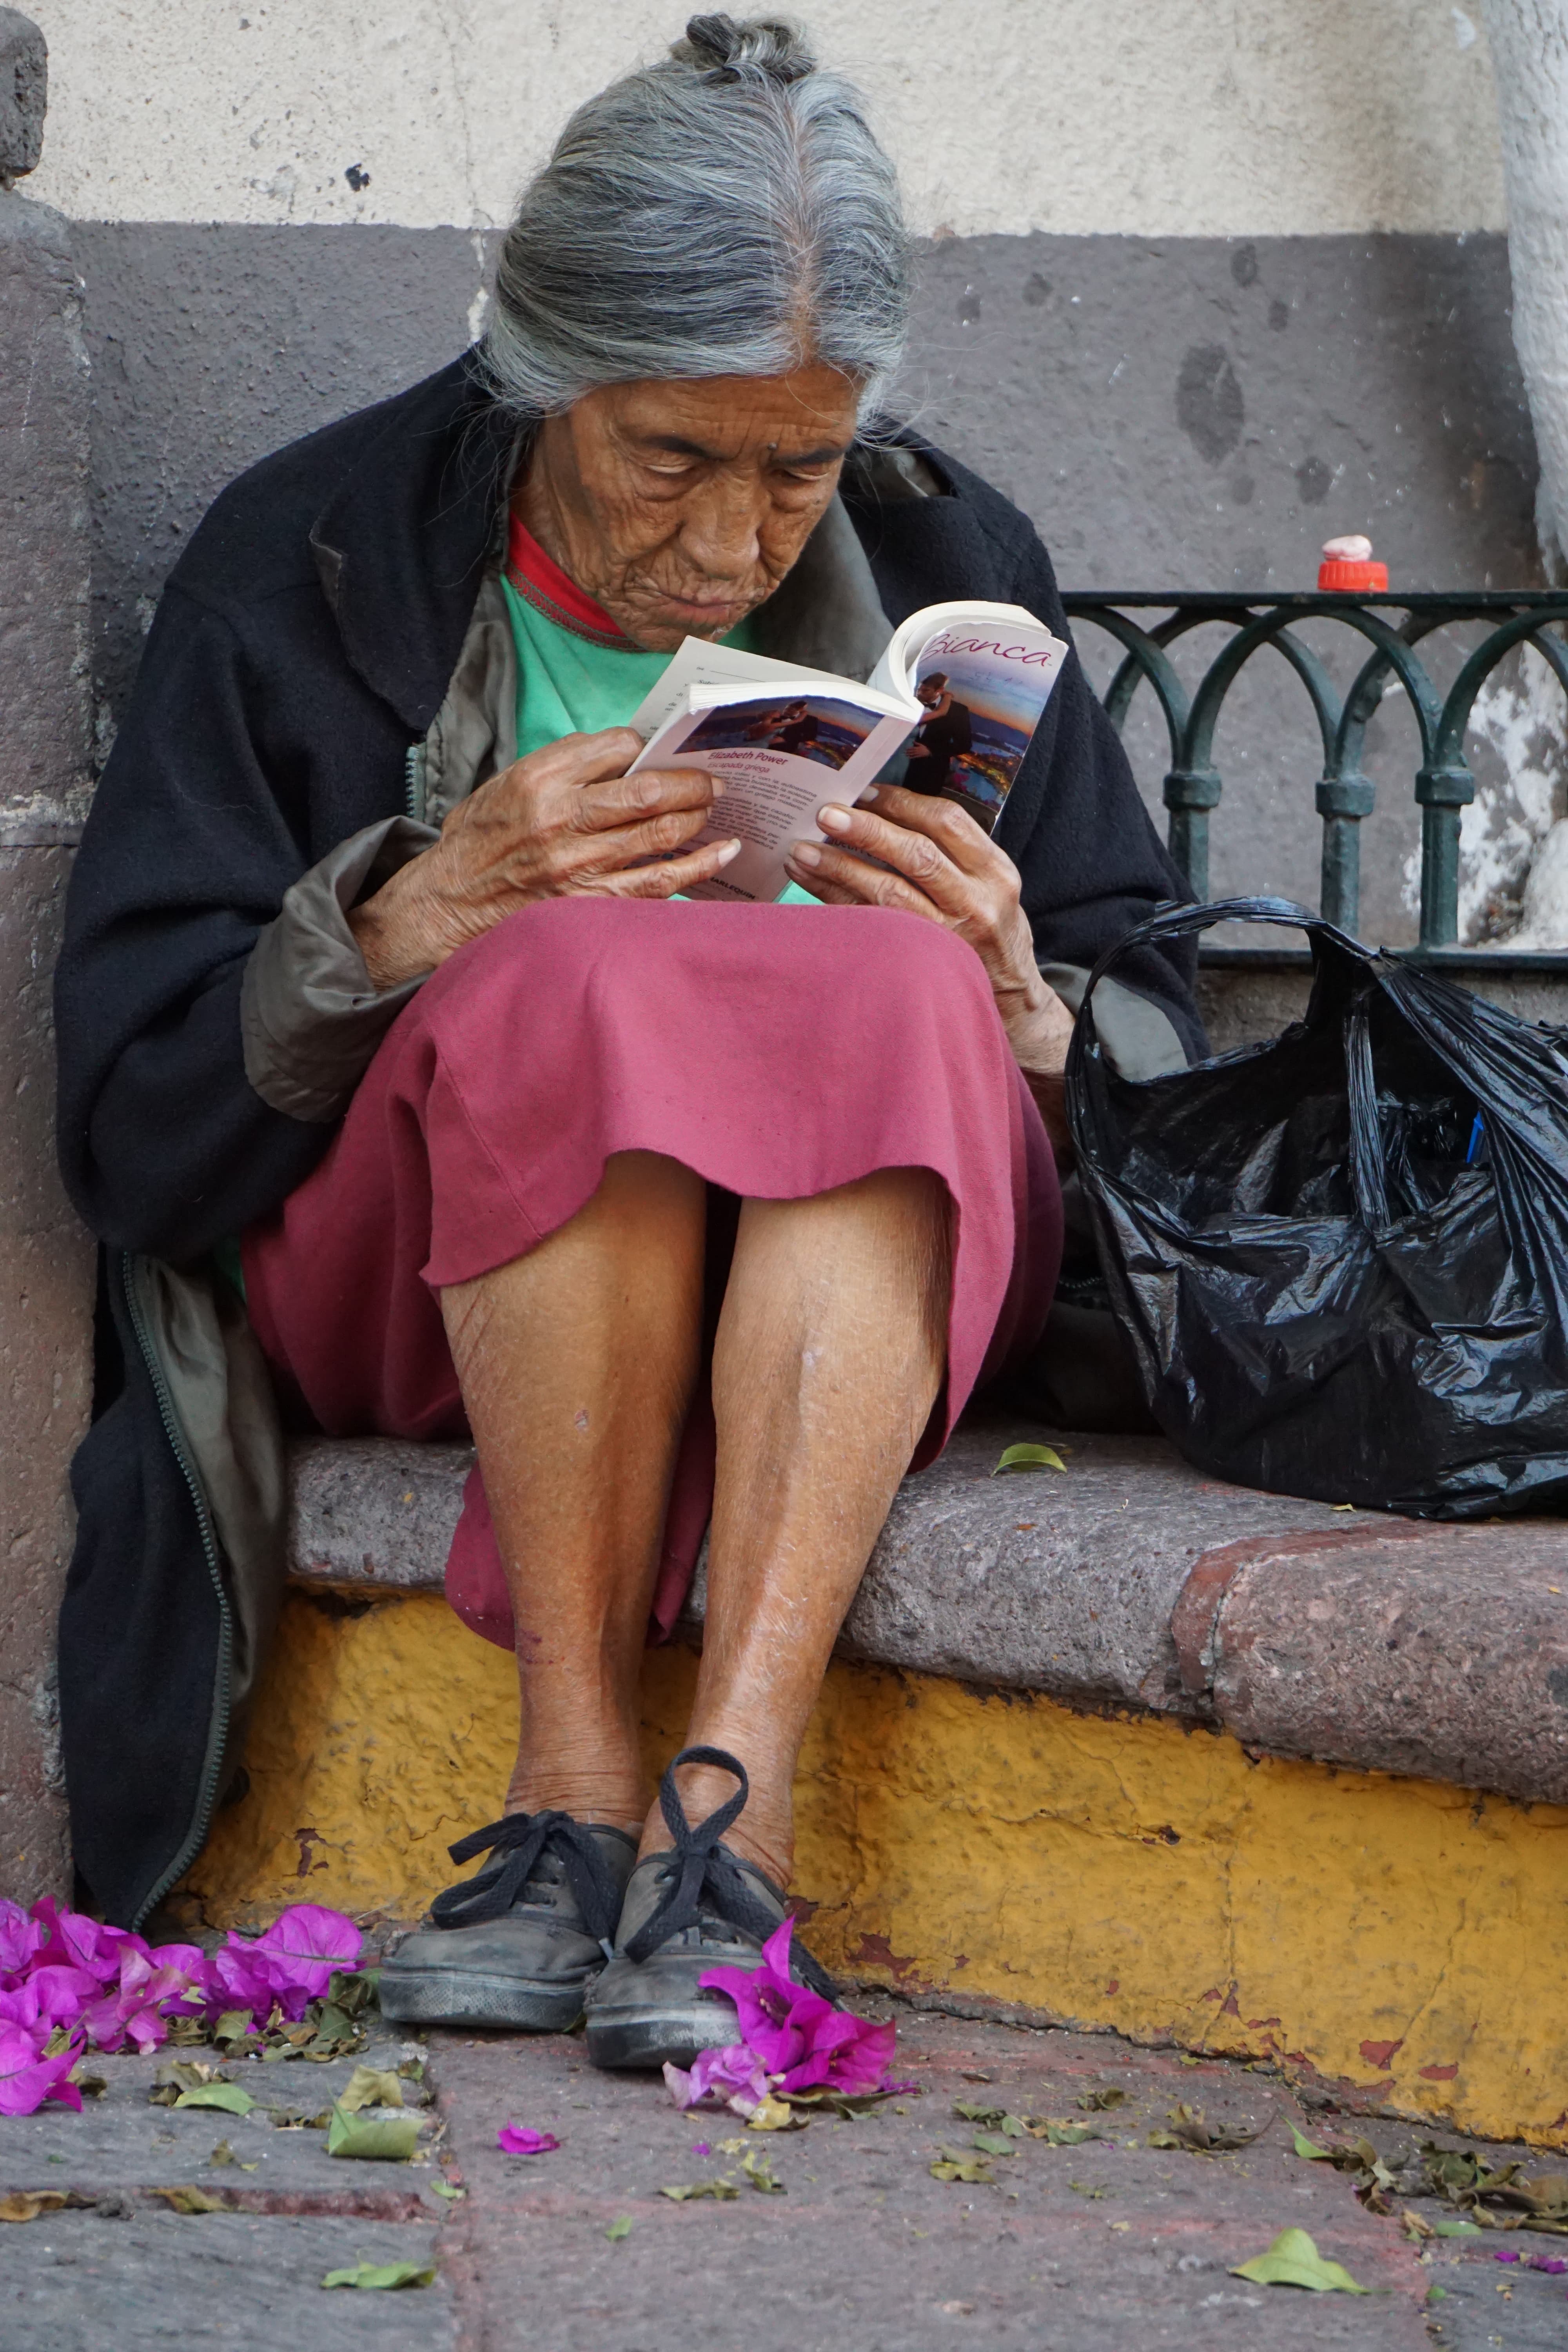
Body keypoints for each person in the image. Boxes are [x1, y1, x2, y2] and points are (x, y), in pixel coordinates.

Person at [54, 12, 1203, 2069]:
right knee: (582, 978)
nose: (730, 542)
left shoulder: (950, 565)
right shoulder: (311, 561)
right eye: (668, 457)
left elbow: (1160, 1081)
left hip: (850, 1286)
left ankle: (728, 1838)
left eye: (796, 470)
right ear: (542, 370)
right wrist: (404, 920)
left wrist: (1029, 1011)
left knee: (901, 983)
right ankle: (568, 1789)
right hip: (428, 1279)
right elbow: (133, 1133)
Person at [906, 672, 973, 796]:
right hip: (900, 764)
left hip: (929, 774)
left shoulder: (958, 711)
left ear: (940, 690)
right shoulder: (909, 701)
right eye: (919, 689)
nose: (919, 693)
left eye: (926, 690)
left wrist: (931, 751)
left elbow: (965, 745)